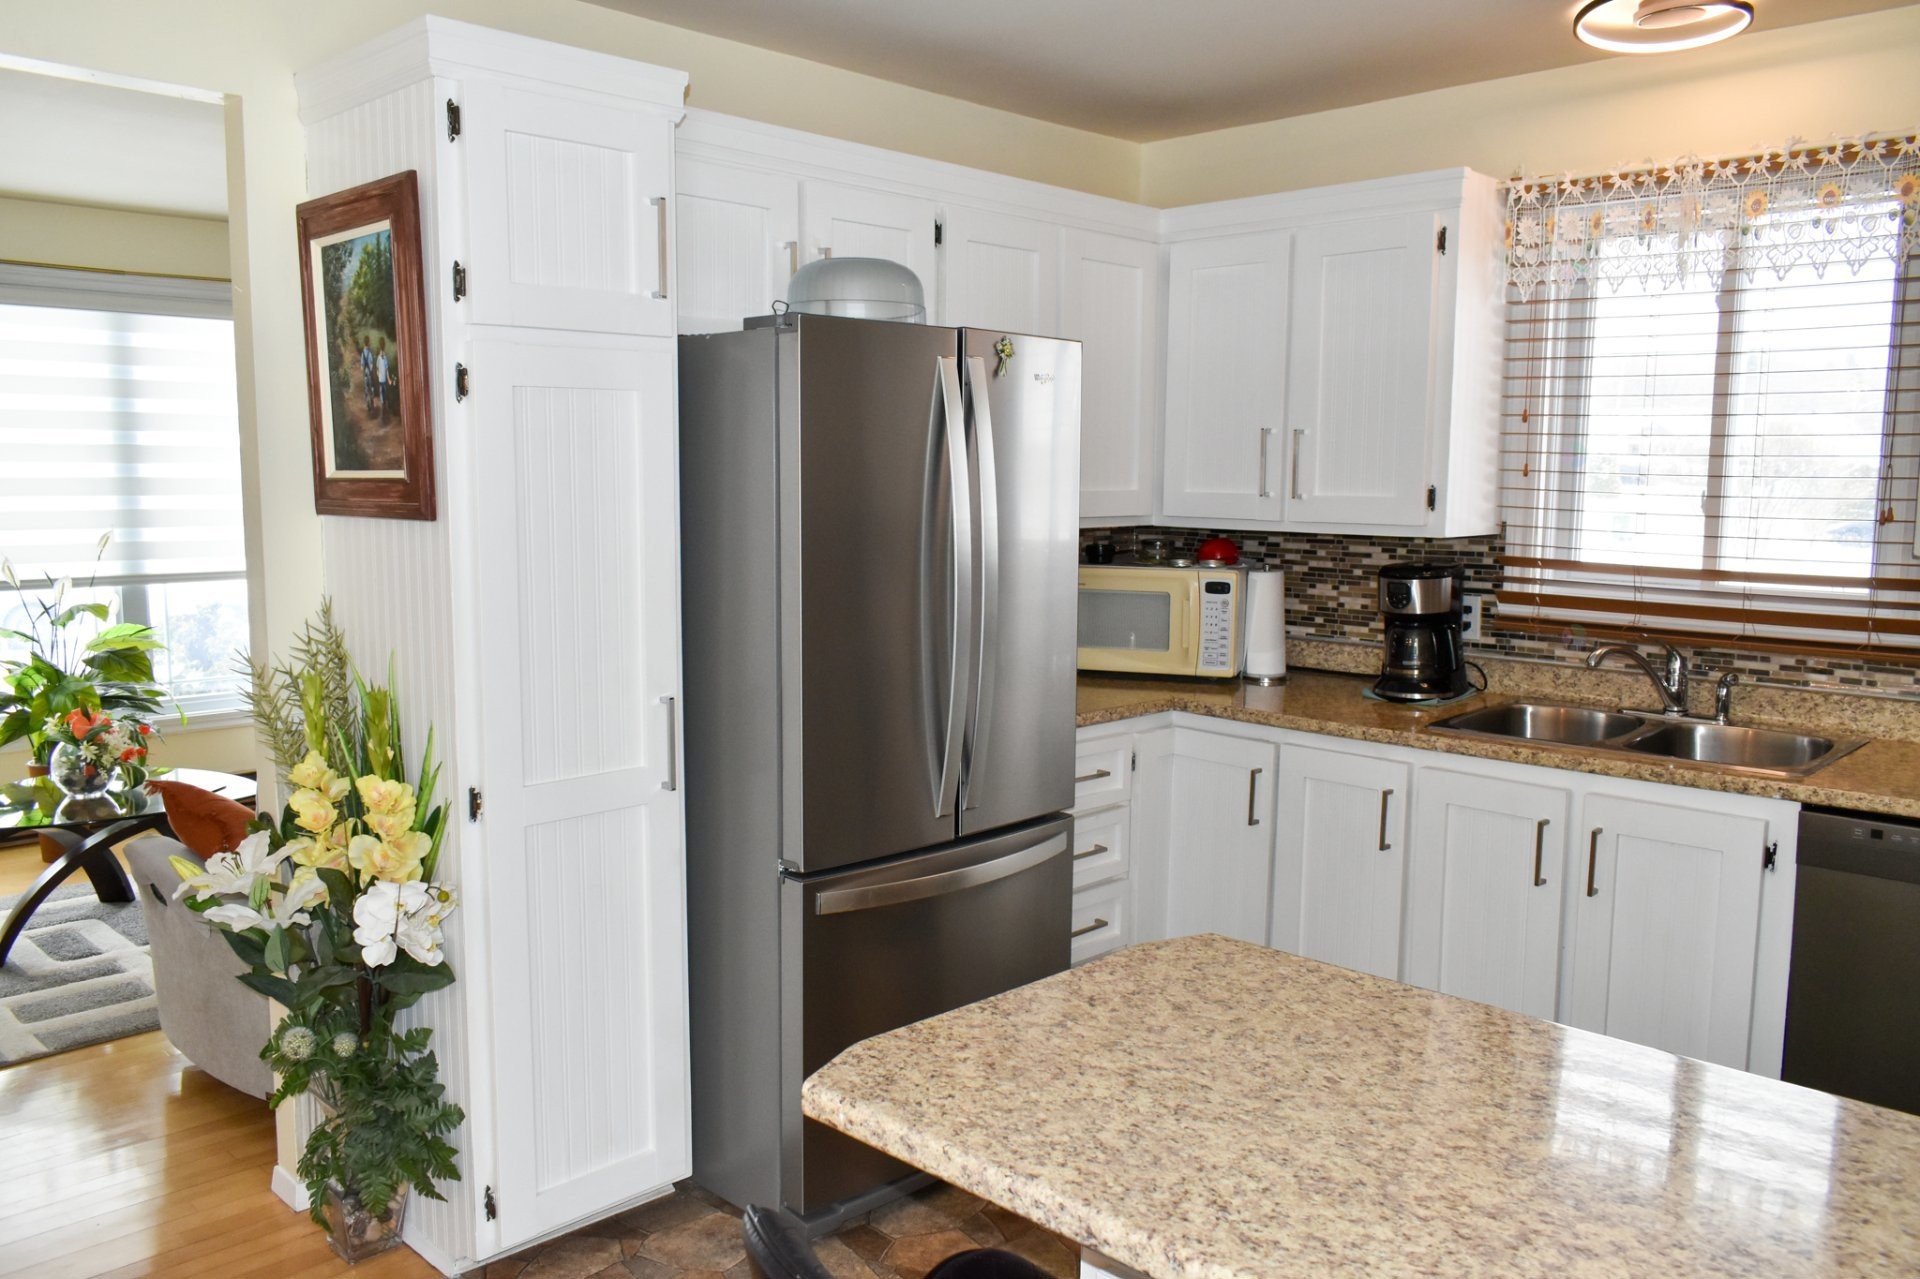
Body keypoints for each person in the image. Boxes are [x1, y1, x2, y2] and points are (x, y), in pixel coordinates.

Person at [375, 338, 389, 423]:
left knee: (383, 398)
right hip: (383, 380)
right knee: (384, 397)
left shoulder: (379, 357)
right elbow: (386, 369)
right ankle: (384, 416)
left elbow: (377, 369)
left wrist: (378, 375)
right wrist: (389, 379)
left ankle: (384, 416)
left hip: (381, 380)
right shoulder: (384, 357)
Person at [359, 336, 375, 411]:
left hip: (365, 372)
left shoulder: (362, 353)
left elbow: (361, 366)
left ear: (364, 343)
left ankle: (368, 404)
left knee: (366, 388)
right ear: (368, 343)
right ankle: (371, 401)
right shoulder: (370, 353)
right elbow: (371, 365)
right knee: (371, 387)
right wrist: (370, 370)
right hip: (369, 373)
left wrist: (364, 369)